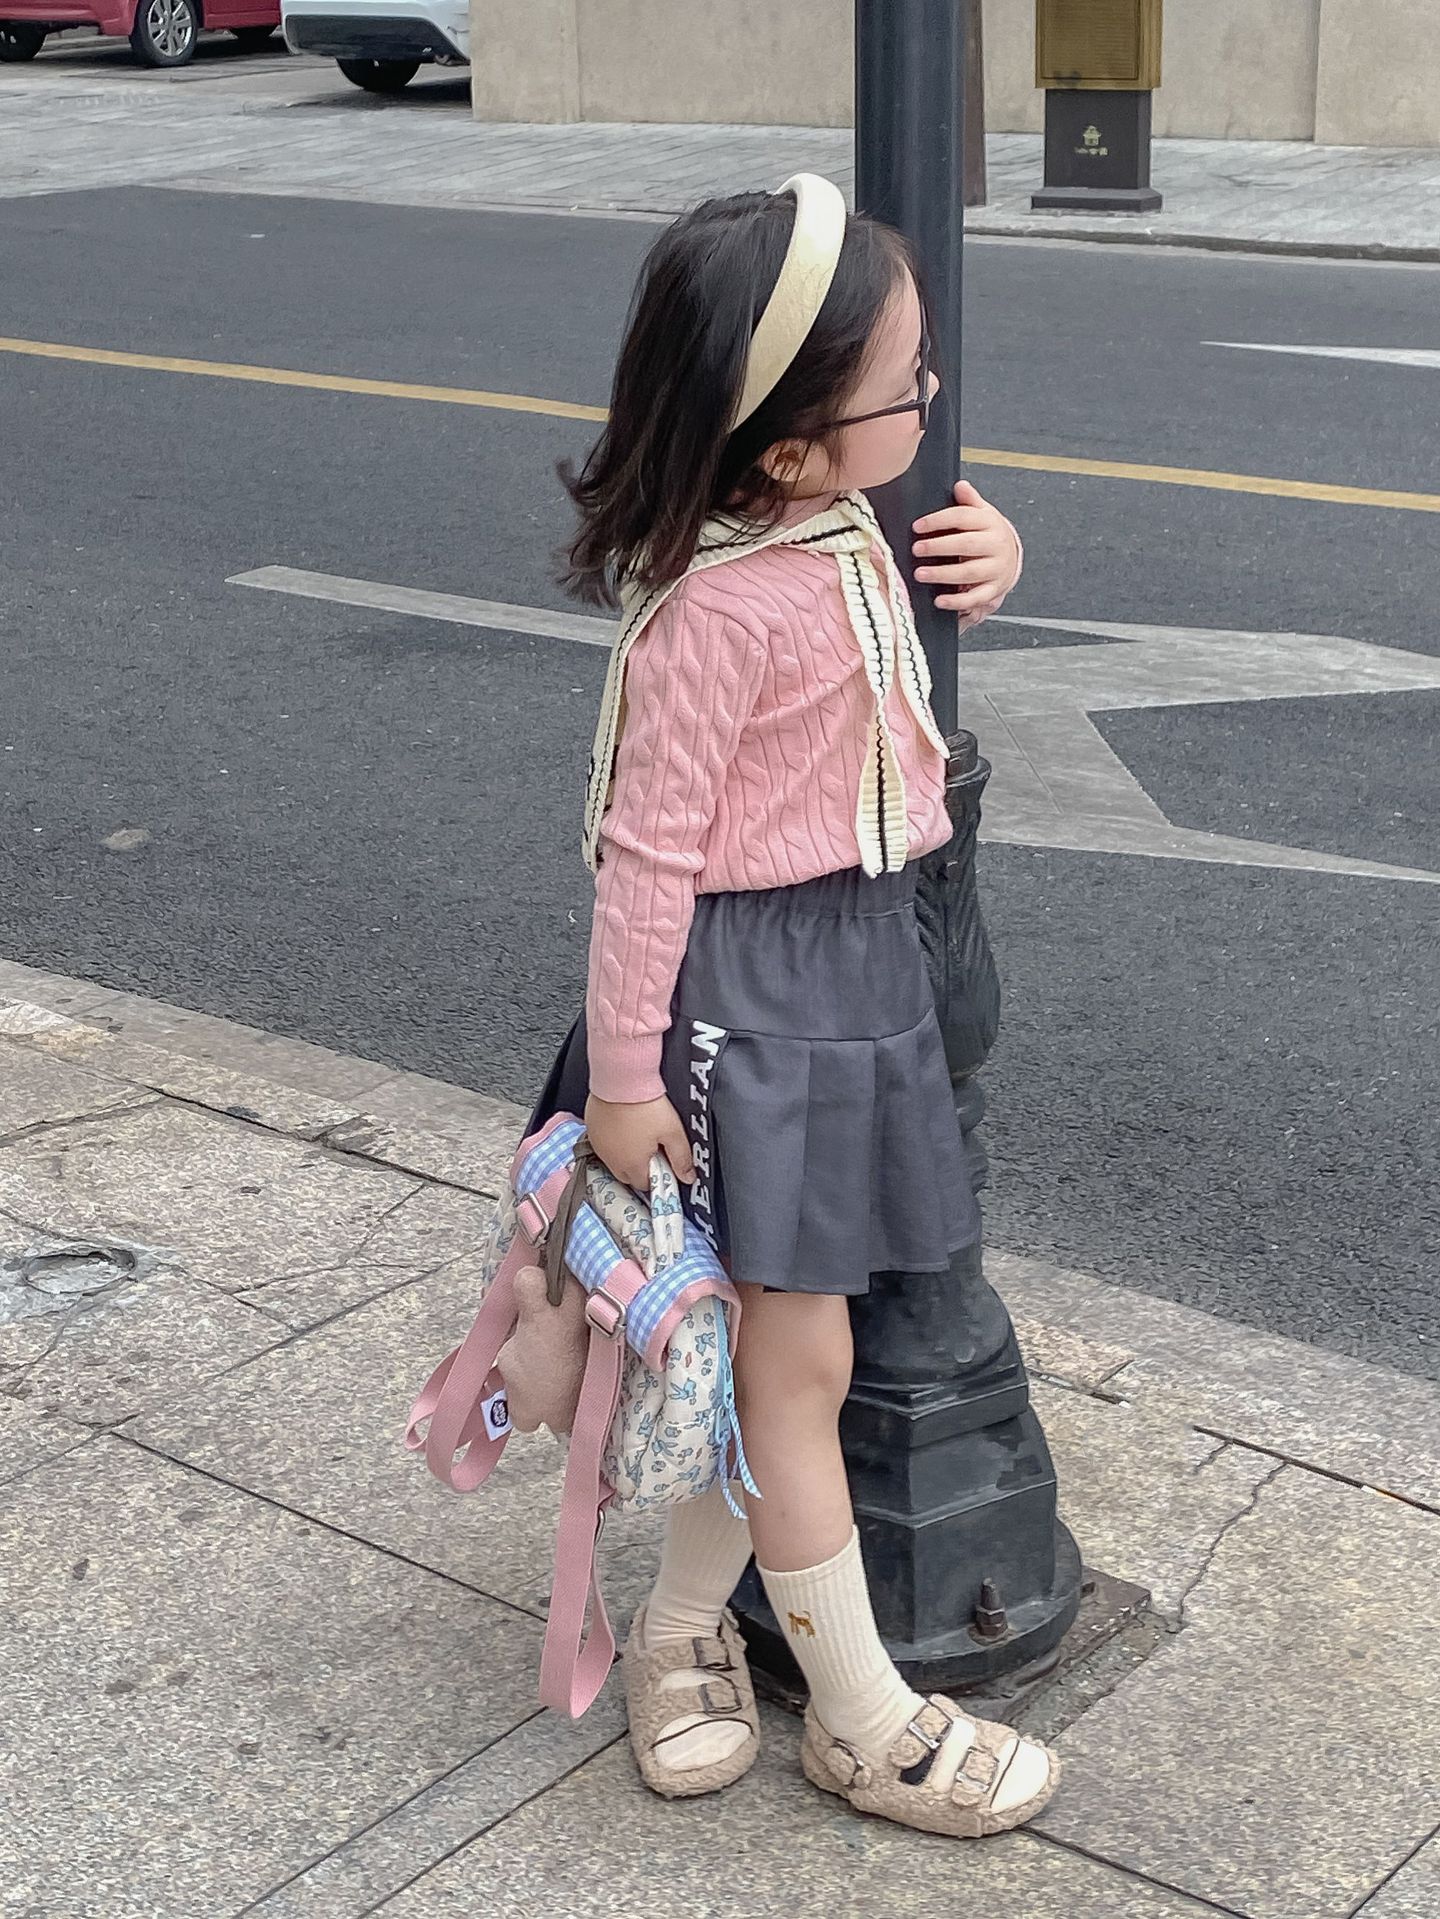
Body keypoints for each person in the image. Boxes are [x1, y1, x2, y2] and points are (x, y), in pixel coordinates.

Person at [531, 174, 1058, 1839]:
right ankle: (865, 1720)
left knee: (784, 1361)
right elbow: (644, 863)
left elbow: (897, 620)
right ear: (783, 450)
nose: (930, 403)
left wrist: (996, 555)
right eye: (905, 386)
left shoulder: (838, 529)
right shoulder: (716, 612)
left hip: (849, 976)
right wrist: (627, 1085)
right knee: (792, 1360)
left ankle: (684, 1626)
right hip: (750, 1008)